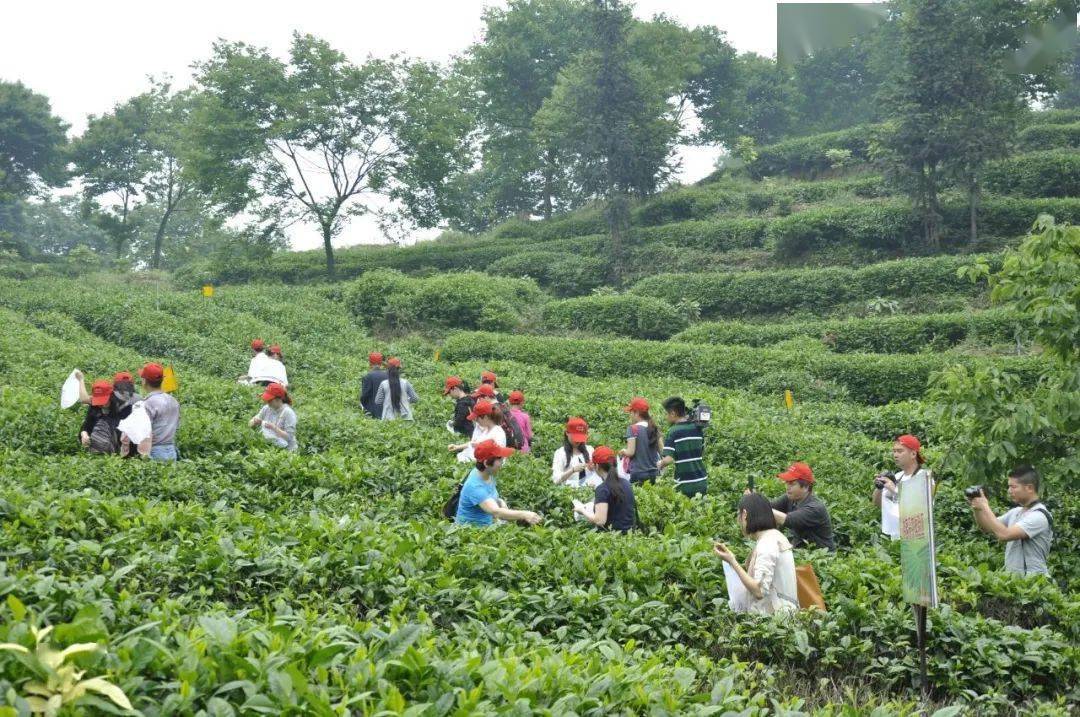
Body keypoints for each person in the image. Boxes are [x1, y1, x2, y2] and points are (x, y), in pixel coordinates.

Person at [713, 493, 799, 615]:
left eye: (739, 515)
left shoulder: (768, 543)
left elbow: (759, 590)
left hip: (776, 622)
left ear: (744, 515)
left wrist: (732, 561)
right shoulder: (772, 537)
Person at [968, 465, 1053, 577]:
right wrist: (977, 509)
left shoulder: (1039, 516)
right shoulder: (1016, 512)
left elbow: (1004, 535)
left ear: (1029, 488)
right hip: (1015, 581)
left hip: (1035, 583)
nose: (1009, 491)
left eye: (1013, 487)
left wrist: (985, 506)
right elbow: (986, 527)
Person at [455, 439, 543, 527]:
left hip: (490, 526)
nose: (502, 463)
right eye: (500, 460)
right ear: (486, 463)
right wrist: (525, 514)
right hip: (473, 534)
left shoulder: (487, 473)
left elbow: (490, 497)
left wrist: (500, 501)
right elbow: (496, 512)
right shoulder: (475, 486)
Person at [873, 434, 933, 540]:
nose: (895, 455)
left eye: (900, 451)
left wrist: (893, 488)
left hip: (917, 538)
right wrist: (879, 487)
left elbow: (918, 505)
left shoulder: (924, 477)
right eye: (894, 451)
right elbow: (877, 504)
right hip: (896, 538)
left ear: (913, 454)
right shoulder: (897, 477)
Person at [765, 462, 836, 552]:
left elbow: (788, 520)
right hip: (801, 551)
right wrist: (754, 499)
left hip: (821, 558)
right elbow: (771, 507)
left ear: (806, 487)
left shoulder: (815, 508)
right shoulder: (790, 497)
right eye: (787, 483)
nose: (787, 487)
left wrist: (759, 505)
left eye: (792, 484)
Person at [574, 446, 636, 533]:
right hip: (630, 535)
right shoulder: (626, 483)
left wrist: (582, 510)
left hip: (613, 537)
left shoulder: (602, 489)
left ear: (597, 466)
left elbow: (600, 521)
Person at [658, 396, 707, 498]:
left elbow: (668, 460)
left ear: (673, 413)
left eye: (667, 414)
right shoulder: (697, 427)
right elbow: (701, 452)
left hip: (685, 484)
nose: (666, 417)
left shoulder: (673, 431)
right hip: (702, 481)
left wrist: (660, 464)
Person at [138, 362, 180, 462]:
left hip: (154, 451)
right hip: (171, 451)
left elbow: (145, 433)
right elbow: (177, 425)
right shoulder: (174, 401)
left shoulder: (147, 404)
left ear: (144, 381)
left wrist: (144, 456)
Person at [619, 397, 663, 485]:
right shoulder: (654, 427)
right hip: (655, 473)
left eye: (631, 412)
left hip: (639, 473)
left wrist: (623, 451)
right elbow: (662, 450)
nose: (630, 415)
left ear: (637, 413)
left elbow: (630, 452)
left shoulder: (633, 428)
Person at [78, 380, 124, 454]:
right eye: (99, 401)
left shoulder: (122, 406)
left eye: (104, 400)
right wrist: (84, 434)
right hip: (96, 445)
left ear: (111, 395)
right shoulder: (95, 406)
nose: (101, 404)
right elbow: (87, 425)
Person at [551, 417, 600, 488]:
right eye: (575, 437)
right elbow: (556, 479)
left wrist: (593, 468)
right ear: (567, 433)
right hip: (570, 493)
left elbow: (599, 472)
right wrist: (572, 470)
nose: (578, 441)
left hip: (590, 490)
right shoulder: (560, 453)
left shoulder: (590, 449)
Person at [250, 382, 298, 451]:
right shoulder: (266, 408)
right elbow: (250, 422)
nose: (267, 402)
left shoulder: (288, 413)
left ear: (278, 399)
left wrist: (273, 427)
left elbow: (289, 437)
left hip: (287, 451)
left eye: (269, 400)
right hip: (269, 447)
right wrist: (254, 422)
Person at [360, 352, 388, 418]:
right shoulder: (387, 376)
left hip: (373, 413)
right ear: (381, 363)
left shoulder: (368, 377)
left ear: (370, 363)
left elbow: (364, 396)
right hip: (387, 412)